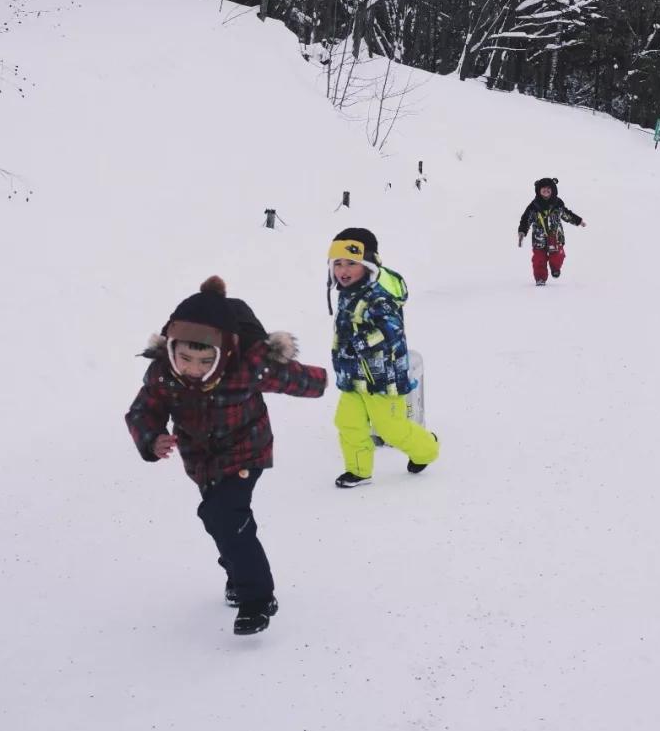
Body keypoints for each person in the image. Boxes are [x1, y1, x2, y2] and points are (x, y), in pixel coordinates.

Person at [125, 277, 326, 636]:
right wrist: (152, 438)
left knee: (223, 515)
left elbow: (290, 377)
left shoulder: (244, 369)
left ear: (225, 354)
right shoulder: (163, 376)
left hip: (247, 451)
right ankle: (237, 572)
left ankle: (258, 600)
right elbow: (143, 411)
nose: (193, 368)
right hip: (201, 462)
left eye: (205, 360)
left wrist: (324, 381)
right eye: (184, 357)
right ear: (170, 347)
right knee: (219, 520)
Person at [327, 227, 439, 488]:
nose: (343, 270)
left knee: (390, 428)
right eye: (338, 264)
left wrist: (360, 343)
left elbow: (391, 329)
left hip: (382, 379)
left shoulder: (378, 296)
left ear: (368, 264)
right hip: (353, 377)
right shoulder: (349, 292)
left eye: (351, 263)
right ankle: (358, 470)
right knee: (347, 423)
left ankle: (427, 449)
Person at [517, 177, 586, 285]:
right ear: (538, 191)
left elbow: (566, 214)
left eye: (549, 189)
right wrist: (522, 231)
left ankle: (555, 268)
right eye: (543, 189)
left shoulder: (557, 203)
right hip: (539, 238)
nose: (546, 191)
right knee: (538, 259)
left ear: (553, 190)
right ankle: (540, 278)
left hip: (556, 236)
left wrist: (578, 221)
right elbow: (525, 219)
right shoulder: (533, 206)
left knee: (558, 255)